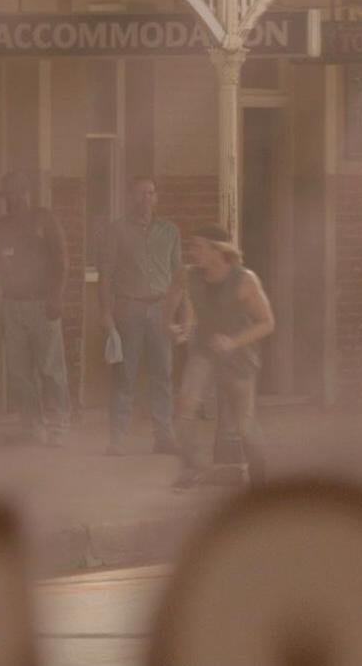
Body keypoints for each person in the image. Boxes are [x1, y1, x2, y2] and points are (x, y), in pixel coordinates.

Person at [170, 226, 275, 490]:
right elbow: (174, 299)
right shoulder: (189, 275)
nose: (193, 252)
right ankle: (193, 468)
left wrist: (233, 342)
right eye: (192, 246)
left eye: (199, 247)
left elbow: (267, 323)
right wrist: (175, 325)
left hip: (239, 359)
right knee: (185, 407)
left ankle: (259, 478)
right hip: (204, 352)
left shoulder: (245, 280)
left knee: (244, 424)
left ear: (218, 251)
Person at [98, 177, 184, 455]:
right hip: (129, 309)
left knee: (163, 374)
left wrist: (178, 314)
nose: (145, 198)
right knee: (125, 375)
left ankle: (164, 437)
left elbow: (178, 276)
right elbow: (106, 275)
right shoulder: (117, 231)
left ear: (156, 197)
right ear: (130, 197)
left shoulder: (170, 231)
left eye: (150, 193)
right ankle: (117, 439)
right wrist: (106, 312)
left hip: (161, 309)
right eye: (139, 193)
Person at [0, 170, 70, 446]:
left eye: (18, 192)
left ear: (27, 193)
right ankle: (33, 426)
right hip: (12, 304)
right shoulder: (1, 226)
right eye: (9, 193)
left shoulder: (44, 219)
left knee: (51, 368)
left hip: (42, 302)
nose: (13, 198)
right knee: (19, 371)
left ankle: (59, 425)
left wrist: (56, 297)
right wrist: (0, 263)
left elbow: (61, 261)